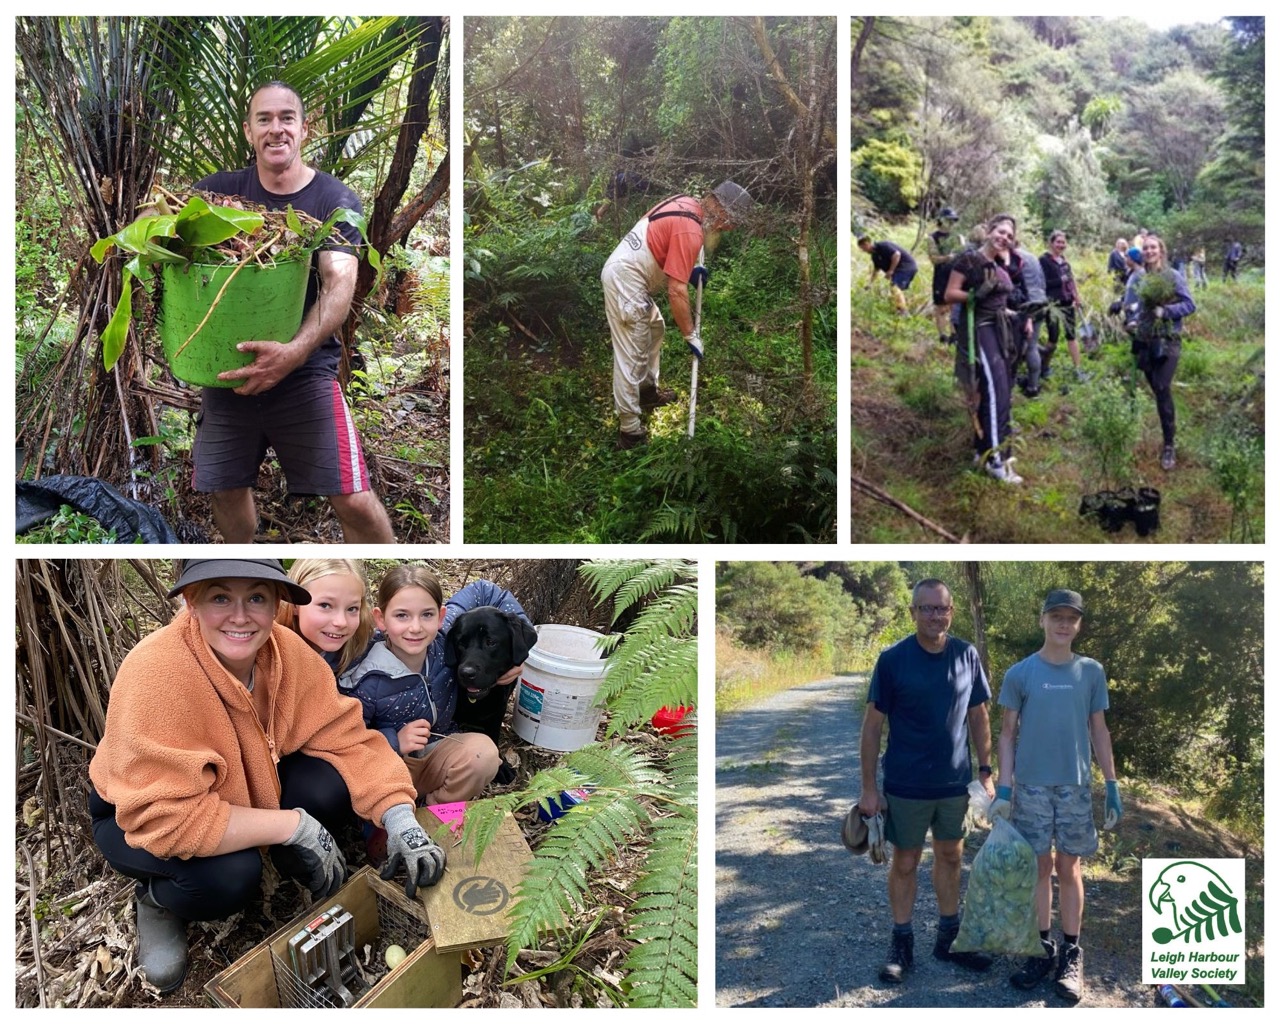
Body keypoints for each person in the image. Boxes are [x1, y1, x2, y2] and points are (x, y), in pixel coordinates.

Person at [88, 559, 446, 993]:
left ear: (275, 603)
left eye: (256, 598)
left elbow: (348, 738)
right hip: (138, 818)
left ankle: (284, 857)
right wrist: (294, 825)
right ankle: (158, 899)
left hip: (242, 789)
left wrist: (398, 815)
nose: (241, 617)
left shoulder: (284, 652)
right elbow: (168, 819)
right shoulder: (156, 672)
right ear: (191, 601)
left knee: (325, 782)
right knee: (228, 878)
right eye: (220, 597)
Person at [191, 81, 394, 543]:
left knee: (352, 499)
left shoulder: (333, 200)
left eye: (287, 118)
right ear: (249, 130)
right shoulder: (219, 192)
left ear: (305, 128)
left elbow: (339, 280)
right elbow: (154, 226)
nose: (276, 129)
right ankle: (256, 569)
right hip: (229, 372)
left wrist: (293, 352)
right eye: (264, 119)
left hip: (303, 375)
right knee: (224, 488)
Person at [857, 578, 996, 985]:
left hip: (953, 785)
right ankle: (902, 944)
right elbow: (871, 727)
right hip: (905, 784)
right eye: (927, 608)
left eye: (942, 608)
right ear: (913, 612)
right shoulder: (893, 659)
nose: (935, 615)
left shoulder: (966, 655)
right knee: (905, 862)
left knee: (952, 857)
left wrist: (985, 771)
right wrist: (869, 788)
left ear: (951, 612)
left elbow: (979, 716)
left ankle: (950, 938)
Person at [991, 589, 1122, 1004]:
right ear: (1043, 620)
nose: (1064, 625)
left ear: (1078, 624)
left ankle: (1071, 953)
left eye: (1072, 618)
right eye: (1057, 617)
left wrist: (1112, 784)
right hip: (1029, 786)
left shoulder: (1091, 672)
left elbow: (1099, 731)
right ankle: (1041, 949)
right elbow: (1007, 734)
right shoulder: (1021, 673)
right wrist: (1005, 786)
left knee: (1069, 867)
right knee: (1038, 867)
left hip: (1074, 787)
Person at [339, 564, 530, 806]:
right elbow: (348, 740)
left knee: (484, 754)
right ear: (381, 619)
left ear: (441, 617)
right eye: (401, 615)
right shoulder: (366, 677)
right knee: (358, 784)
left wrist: (519, 649)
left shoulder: (444, 644)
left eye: (427, 615)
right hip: (388, 767)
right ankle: (388, 818)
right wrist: (395, 740)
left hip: (438, 751)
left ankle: (433, 810)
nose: (416, 627)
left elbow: (487, 591)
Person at [601, 181, 753, 449]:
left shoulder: (686, 204)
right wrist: (690, 334)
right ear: (718, 206)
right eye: (731, 220)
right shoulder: (690, 230)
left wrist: (688, 271)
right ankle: (630, 432)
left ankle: (647, 391)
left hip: (630, 276)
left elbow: (664, 246)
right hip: (626, 281)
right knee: (632, 353)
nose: (730, 228)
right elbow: (676, 291)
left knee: (655, 328)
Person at [945, 213, 1022, 484]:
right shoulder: (970, 259)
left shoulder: (998, 266)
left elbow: (997, 301)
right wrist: (975, 296)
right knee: (994, 391)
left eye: (1010, 236)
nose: (1004, 238)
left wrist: (1014, 313)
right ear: (989, 231)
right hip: (979, 330)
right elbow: (950, 293)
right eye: (1001, 232)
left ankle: (981, 451)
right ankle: (995, 460)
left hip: (999, 330)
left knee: (1000, 392)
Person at [1121, 233, 1196, 470]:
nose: (1149, 251)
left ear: (1161, 251)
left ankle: (1169, 445)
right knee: (1158, 390)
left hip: (1168, 340)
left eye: (1153, 247)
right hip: (1145, 340)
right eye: (1146, 248)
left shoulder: (1172, 276)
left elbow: (1189, 304)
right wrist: (1132, 321)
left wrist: (1166, 312)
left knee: (1162, 387)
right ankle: (1168, 426)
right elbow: (1136, 308)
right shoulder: (1140, 278)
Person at [278, 557, 374, 676]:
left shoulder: (368, 654)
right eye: (325, 605)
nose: (341, 622)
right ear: (294, 603)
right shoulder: (266, 652)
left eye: (352, 609)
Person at [1038, 230, 1085, 383]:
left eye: (1063, 242)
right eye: (1058, 242)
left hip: (1067, 303)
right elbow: (1043, 283)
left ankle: (1078, 370)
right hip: (1052, 305)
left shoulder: (1064, 261)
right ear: (1051, 243)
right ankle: (1043, 368)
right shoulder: (1044, 260)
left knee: (1072, 336)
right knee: (1053, 337)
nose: (1061, 245)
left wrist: (1076, 296)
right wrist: (1060, 280)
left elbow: (1070, 281)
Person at [1005, 236, 1047, 398]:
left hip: (1022, 305)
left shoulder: (1011, 259)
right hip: (1040, 302)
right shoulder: (1032, 257)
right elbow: (1042, 282)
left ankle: (1010, 383)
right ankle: (1033, 386)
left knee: (1014, 345)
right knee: (1032, 346)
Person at [926, 208, 964, 343]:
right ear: (941, 220)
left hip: (957, 274)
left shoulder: (958, 237)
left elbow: (964, 255)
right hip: (941, 274)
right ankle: (942, 335)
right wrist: (948, 257)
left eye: (953, 221)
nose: (951, 223)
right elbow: (933, 258)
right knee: (940, 307)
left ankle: (955, 335)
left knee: (955, 305)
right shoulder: (932, 238)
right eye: (949, 220)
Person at [858, 235, 918, 316]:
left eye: (863, 248)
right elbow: (876, 270)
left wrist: (891, 270)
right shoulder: (874, 256)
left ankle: (903, 312)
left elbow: (896, 255)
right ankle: (900, 309)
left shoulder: (883, 245)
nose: (863, 250)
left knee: (894, 286)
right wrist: (870, 284)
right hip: (899, 270)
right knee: (895, 288)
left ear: (867, 244)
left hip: (906, 266)